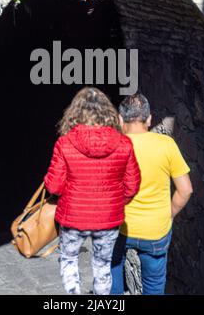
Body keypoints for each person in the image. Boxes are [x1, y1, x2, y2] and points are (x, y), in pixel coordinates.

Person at [44, 87, 141, 295]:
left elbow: (53, 186)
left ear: (75, 113)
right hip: (109, 217)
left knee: (69, 260)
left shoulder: (65, 143)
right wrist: (116, 201)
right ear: (108, 112)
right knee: (102, 266)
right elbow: (132, 185)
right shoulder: (124, 144)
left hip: (73, 217)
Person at [111, 94, 193, 295]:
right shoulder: (166, 145)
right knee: (154, 284)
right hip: (156, 231)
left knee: (111, 270)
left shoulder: (112, 147)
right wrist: (169, 213)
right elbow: (186, 190)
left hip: (120, 228)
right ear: (149, 119)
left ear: (120, 120)